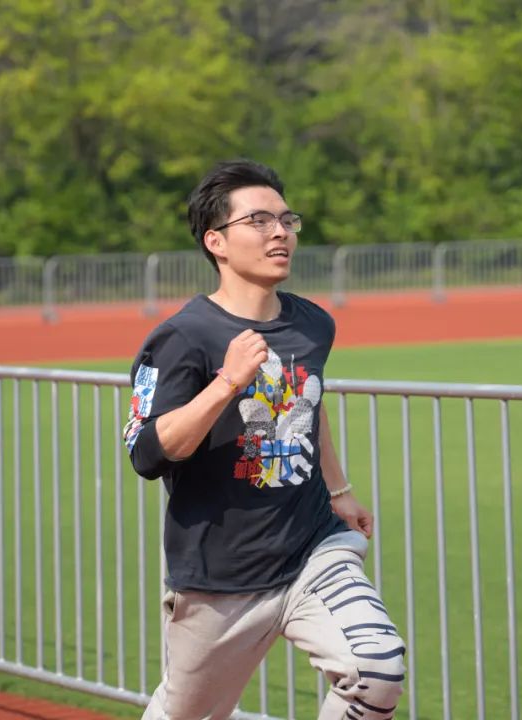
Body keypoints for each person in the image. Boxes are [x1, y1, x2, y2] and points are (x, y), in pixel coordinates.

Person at [123, 159, 406, 720]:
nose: (280, 232)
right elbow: (147, 452)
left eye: (286, 220)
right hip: (220, 578)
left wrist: (339, 489)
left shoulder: (313, 324)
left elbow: (308, 404)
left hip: (312, 548)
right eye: (259, 221)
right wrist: (227, 382)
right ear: (216, 242)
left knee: (377, 669)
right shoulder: (181, 338)